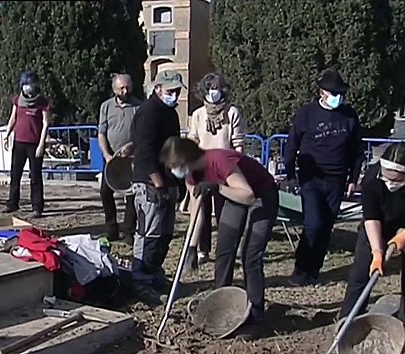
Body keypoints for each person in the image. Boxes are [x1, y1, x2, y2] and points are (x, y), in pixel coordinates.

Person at [162, 137, 279, 339]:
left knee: (250, 256)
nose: (175, 170)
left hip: (262, 195)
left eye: (175, 165)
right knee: (224, 250)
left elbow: (248, 195)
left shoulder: (218, 160)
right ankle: (220, 306)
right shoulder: (191, 176)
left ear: (187, 159)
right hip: (233, 197)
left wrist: (216, 187)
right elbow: (197, 210)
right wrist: (192, 246)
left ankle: (256, 315)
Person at [284, 69, 365, 286]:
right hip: (311, 179)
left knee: (326, 226)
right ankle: (300, 270)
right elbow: (292, 145)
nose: (338, 96)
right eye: (333, 92)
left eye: (340, 92)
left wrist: (353, 178)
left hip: (337, 181)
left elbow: (357, 151)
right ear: (321, 92)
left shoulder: (349, 116)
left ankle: (314, 271)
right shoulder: (306, 114)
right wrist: (290, 175)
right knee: (313, 224)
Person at [130, 70, 184, 304]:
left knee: (165, 234)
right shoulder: (148, 113)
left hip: (169, 179)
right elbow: (144, 150)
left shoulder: (170, 113)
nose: (175, 95)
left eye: (177, 91)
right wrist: (158, 182)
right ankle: (140, 279)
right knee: (149, 233)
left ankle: (155, 271)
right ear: (158, 88)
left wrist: (178, 179)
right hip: (149, 182)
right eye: (171, 91)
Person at [337, 143, 405, 322]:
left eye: (397, 180)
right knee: (361, 273)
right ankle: (348, 320)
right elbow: (371, 216)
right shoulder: (371, 179)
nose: (390, 183)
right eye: (386, 178)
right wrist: (377, 252)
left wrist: (402, 235)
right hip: (378, 223)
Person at [186, 73, 247, 265]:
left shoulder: (232, 112)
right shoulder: (198, 114)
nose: (214, 92)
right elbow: (193, 140)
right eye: (211, 87)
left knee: (225, 212)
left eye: (218, 87)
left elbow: (238, 142)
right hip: (202, 167)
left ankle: (226, 248)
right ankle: (203, 250)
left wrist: (239, 164)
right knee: (202, 209)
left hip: (226, 169)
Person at [98, 73, 140, 242]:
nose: (125, 91)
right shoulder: (106, 107)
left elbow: (142, 133)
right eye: (121, 88)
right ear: (114, 89)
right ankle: (111, 229)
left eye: (127, 87)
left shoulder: (138, 106)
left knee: (131, 195)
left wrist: (131, 146)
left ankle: (129, 231)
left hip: (132, 158)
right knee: (105, 192)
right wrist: (107, 154)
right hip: (111, 158)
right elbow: (101, 133)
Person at [4, 70, 51, 218]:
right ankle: (12, 203)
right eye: (25, 84)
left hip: (34, 143)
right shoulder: (18, 100)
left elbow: (45, 124)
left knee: (35, 176)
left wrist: (41, 144)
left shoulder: (42, 102)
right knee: (15, 173)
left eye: (30, 84)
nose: (27, 87)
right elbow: (13, 118)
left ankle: (37, 207)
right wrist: (7, 134)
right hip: (19, 142)